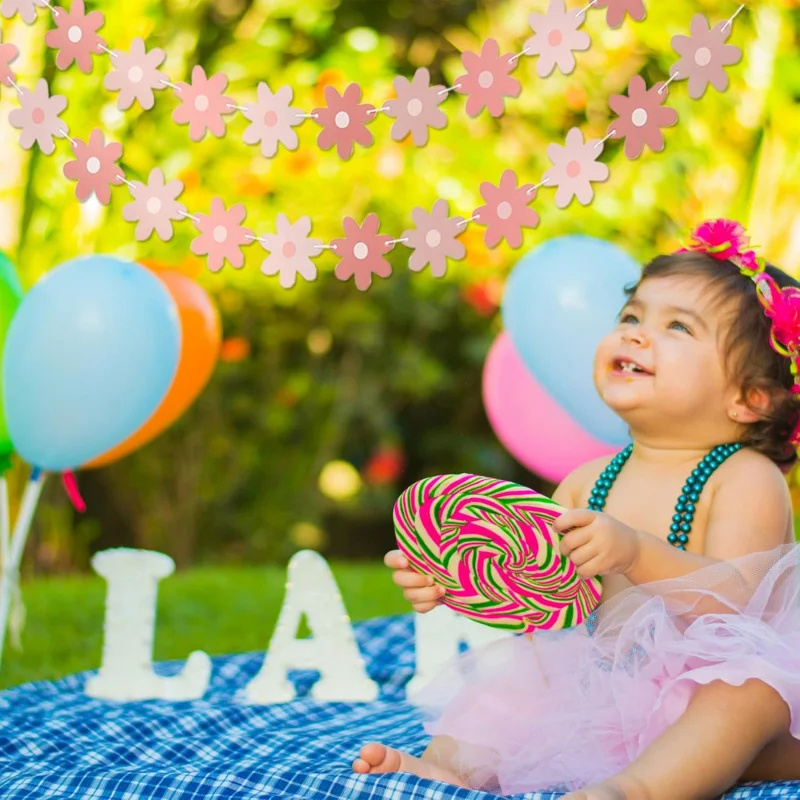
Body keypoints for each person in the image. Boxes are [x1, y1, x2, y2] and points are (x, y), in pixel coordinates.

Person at [351, 219, 800, 799]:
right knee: (513, 675)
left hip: (736, 704)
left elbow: (736, 602)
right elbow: (545, 601)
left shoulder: (742, 478)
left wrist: (635, 552)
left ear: (749, 399)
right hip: (610, 693)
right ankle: (449, 769)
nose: (635, 335)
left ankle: (634, 790)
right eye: (632, 317)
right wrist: (455, 582)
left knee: (745, 692)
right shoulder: (589, 481)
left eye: (677, 327)